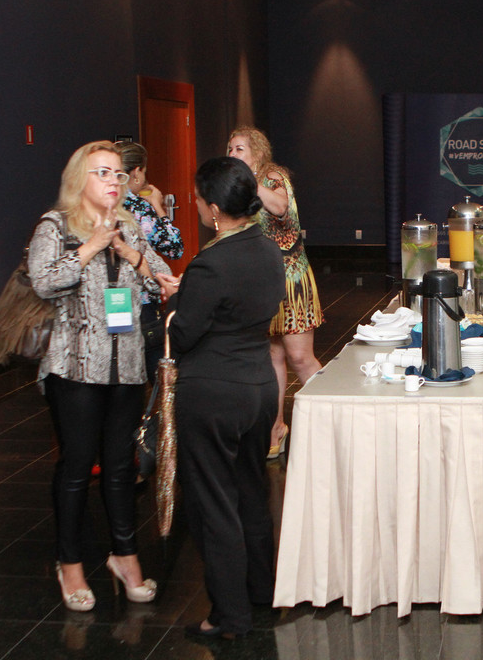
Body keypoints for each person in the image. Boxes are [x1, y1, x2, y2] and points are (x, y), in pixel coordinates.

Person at [28, 140, 178, 612]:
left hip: (128, 366)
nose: (113, 182)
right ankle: (69, 563)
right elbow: (43, 280)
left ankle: (125, 556)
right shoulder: (55, 226)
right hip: (75, 368)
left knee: (120, 467)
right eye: (103, 173)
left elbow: (162, 275)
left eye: (117, 174)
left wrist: (128, 252)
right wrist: (91, 246)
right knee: (76, 467)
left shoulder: (130, 225)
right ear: (80, 180)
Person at [170, 156, 285, 640]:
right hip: (259, 388)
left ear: (215, 209)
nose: (195, 205)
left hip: (214, 394)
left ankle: (227, 616)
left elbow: (187, 334)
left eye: (198, 200)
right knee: (251, 494)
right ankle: (262, 591)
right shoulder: (268, 250)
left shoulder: (210, 262)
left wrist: (176, 308)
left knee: (214, 505)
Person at [227, 126, 324, 459]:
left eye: (239, 149)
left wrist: (249, 180)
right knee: (272, 356)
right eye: (229, 149)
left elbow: (280, 208)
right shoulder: (240, 187)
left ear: (256, 152)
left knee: (300, 357)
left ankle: (332, 418)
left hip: (291, 279)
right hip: (261, 280)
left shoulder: (273, 177)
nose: (232, 155)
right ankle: (276, 428)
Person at [114, 140, 185, 377]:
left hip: (113, 301)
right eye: (144, 170)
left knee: (119, 365)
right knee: (156, 371)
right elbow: (175, 248)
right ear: (135, 173)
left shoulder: (103, 205)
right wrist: (158, 206)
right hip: (142, 301)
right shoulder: (141, 208)